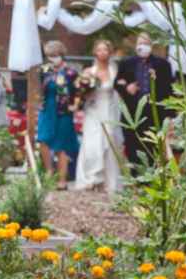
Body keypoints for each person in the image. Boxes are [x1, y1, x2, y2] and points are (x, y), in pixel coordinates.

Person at [115, 31, 174, 166]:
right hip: (133, 112)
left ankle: (153, 179)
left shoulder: (163, 64)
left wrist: (170, 116)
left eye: (146, 43)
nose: (143, 46)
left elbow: (169, 90)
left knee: (154, 146)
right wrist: (126, 88)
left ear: (151, 46)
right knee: (132, 145)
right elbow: (116, 83)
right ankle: (136, 179)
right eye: (140, 43)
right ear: (136, 46)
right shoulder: (126, 63)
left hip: (155, 112)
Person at [75, 39, 123, 195]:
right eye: (99, 50)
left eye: (105, 50)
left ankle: (109, 181)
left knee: (109, 143)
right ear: (95, 52)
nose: (102, 53)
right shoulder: (89, 72)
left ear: (109, 53)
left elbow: (119, 89)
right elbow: (81, 94)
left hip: (109, 110)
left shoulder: (115, 70)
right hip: (94, 110)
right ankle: (91, 179)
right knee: (92, 143)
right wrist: (85, 89)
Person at [36, 39, 79, 189]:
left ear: (62, 54)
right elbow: (38, 88)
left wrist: (76, 105)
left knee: (62, 144)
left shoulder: (71, 72)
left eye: (55, 55)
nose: (52, 58)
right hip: (47, 109)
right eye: (49, 55)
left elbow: (78, 92)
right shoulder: (44, 70)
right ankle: (49, 171)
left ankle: (62, 179)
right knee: (43, 139)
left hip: (63, 111)